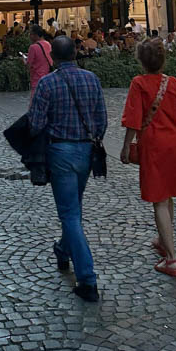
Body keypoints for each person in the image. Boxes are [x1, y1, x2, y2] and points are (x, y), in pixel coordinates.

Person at [28, 35, 107, 302]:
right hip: (86, 151)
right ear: (75, 54)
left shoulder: (47, 83)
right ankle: (63, 250)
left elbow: (36, 123)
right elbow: (102, 119)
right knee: (74, 208)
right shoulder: (92, 79)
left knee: (70, 214)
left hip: (60, 151)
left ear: (53, 58)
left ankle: (87, 279)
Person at [119, 38, 176, 278]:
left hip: (154, 146)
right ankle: (162, 240)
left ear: (141, 61)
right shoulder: (172, 83)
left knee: (159, 201)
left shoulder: (139, 84)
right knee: (168, 196)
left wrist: (126, 147)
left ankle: (171, 259)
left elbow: (133, 120)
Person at [26, 24, 53, 102]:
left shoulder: (33, 47)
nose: (29, 36)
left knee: (35, 101)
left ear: (35, 35)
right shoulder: (48, 44)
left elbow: (28, 65)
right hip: (48, 76)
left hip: (37, 78)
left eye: (30, 34)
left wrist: (24, 60)